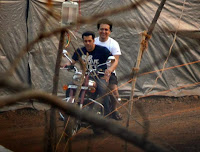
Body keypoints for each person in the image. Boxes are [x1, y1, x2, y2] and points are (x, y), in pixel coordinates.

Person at [69, 31, 116, 116]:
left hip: (100, 76)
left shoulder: (103, 50)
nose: (87, 43)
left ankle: (107, 114)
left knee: (103, 89)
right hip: (86, 76)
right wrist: (67, 64)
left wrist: (108, 70)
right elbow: (72, 61)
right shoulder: (79, 51)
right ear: (83, 41)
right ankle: (69, 110)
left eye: (89, 41)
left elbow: (113, 61)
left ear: (94, 40)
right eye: (85, 41)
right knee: (71, 86)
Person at [95, 18, 122, 120]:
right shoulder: (93, 42)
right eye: (101, 29)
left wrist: (109, 70)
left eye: (106, 29)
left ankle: (114, 110)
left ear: (110, 31)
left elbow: (115, 61)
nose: (104, 32)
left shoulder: (113, 44)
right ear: (98, 30)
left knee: (114, 92)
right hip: (93, 72)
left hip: (108, 73)